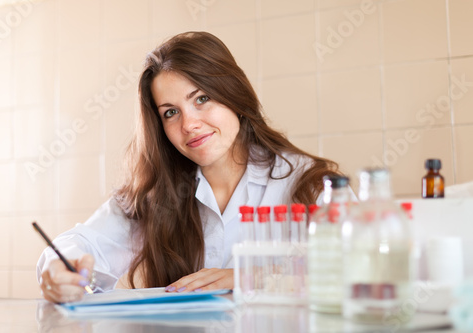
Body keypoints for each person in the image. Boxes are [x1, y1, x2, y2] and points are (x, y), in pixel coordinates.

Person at [36, 31, 340, 303]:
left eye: (202, 99)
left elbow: (360, 274)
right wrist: (58, 272)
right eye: (170, 113)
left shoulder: (312, 184)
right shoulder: (156, 193)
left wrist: (254, 278)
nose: (190, 124)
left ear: (235, 96)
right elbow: (78, 244)